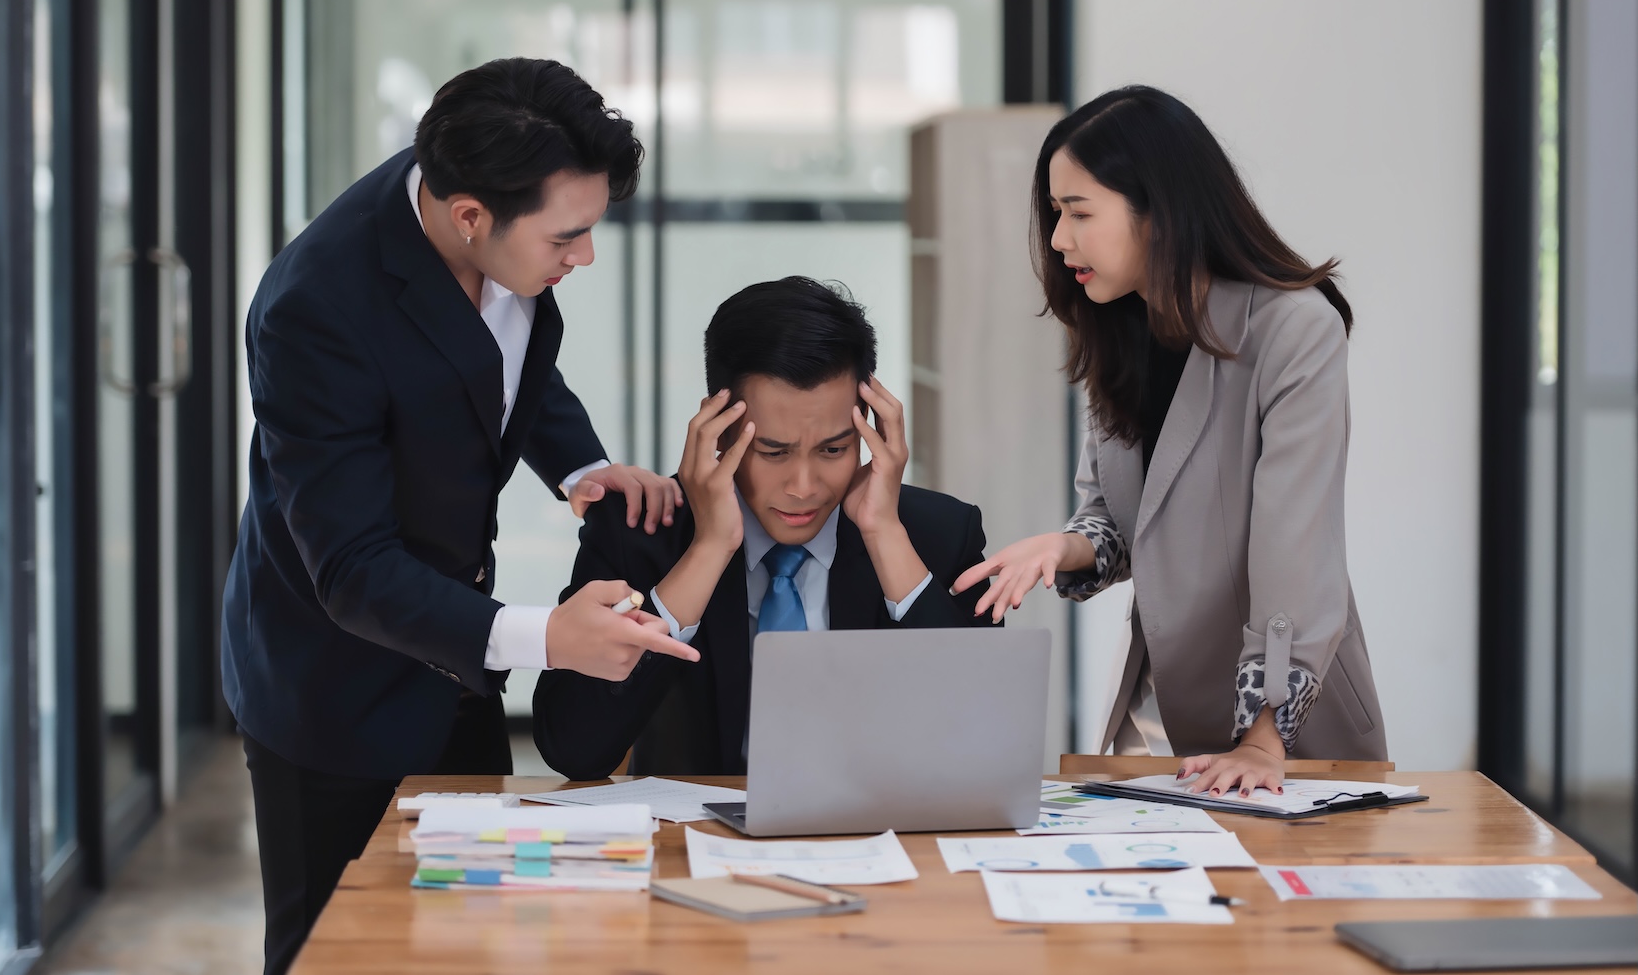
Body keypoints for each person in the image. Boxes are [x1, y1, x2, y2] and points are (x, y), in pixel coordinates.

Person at [222, 57, 699, 975]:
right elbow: (353, 568)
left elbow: (505, 359)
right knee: (338, 948)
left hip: (456, 654)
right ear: (470, 216)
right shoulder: (313, 310)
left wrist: (582, 466)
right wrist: (548, 638)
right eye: (568, 237)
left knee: (472, 934)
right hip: (333, 680)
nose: (584, 257)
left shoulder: (486, 201)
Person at [953, 85, 1387, 797]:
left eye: (1078, 213)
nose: (1059, 239)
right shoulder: (1120, 327)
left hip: (1286, 732)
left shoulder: (1293, 329)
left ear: (1157, 210)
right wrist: (1060, 546)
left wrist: (1262, 737)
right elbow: (1120, 520)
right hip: (1160, 719)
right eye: (1055, 214)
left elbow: (1296, 548)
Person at [532, 276, 997, 778]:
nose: (804, 486)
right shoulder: (643, 533)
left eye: (834, 449)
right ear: (717, 430)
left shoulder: (940, 534)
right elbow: (574, 749)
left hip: (884, 841)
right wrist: (708, 548)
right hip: (697, 843)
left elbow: (985, 740)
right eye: (773, 452)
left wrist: (884, 535)